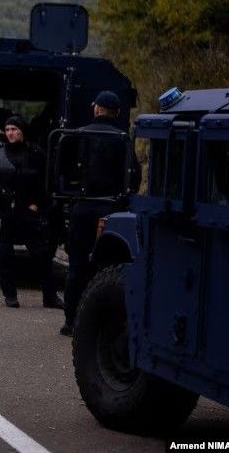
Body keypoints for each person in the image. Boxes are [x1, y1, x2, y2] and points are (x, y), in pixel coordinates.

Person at [60, 91, 140, 336]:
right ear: (117, 112)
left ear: (96, 109)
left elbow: (62, 168)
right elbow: (134, 175)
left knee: (76, 266)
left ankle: (71, 321)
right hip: (111, 207)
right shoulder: (123, 139)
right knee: (107, 267)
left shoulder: (79, 135)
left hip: (83, 204)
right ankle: (100, 323)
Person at [0, 115, 63, 309]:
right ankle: (10, 295)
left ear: (22, 131)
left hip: (28, 211)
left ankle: (50, 296)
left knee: (41, 255)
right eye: (7, 130)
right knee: (5, 255)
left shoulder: (36, 153)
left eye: (14, 129)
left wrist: (38, 204)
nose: (10, 133)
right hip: (5, 211)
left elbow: (47, 183)